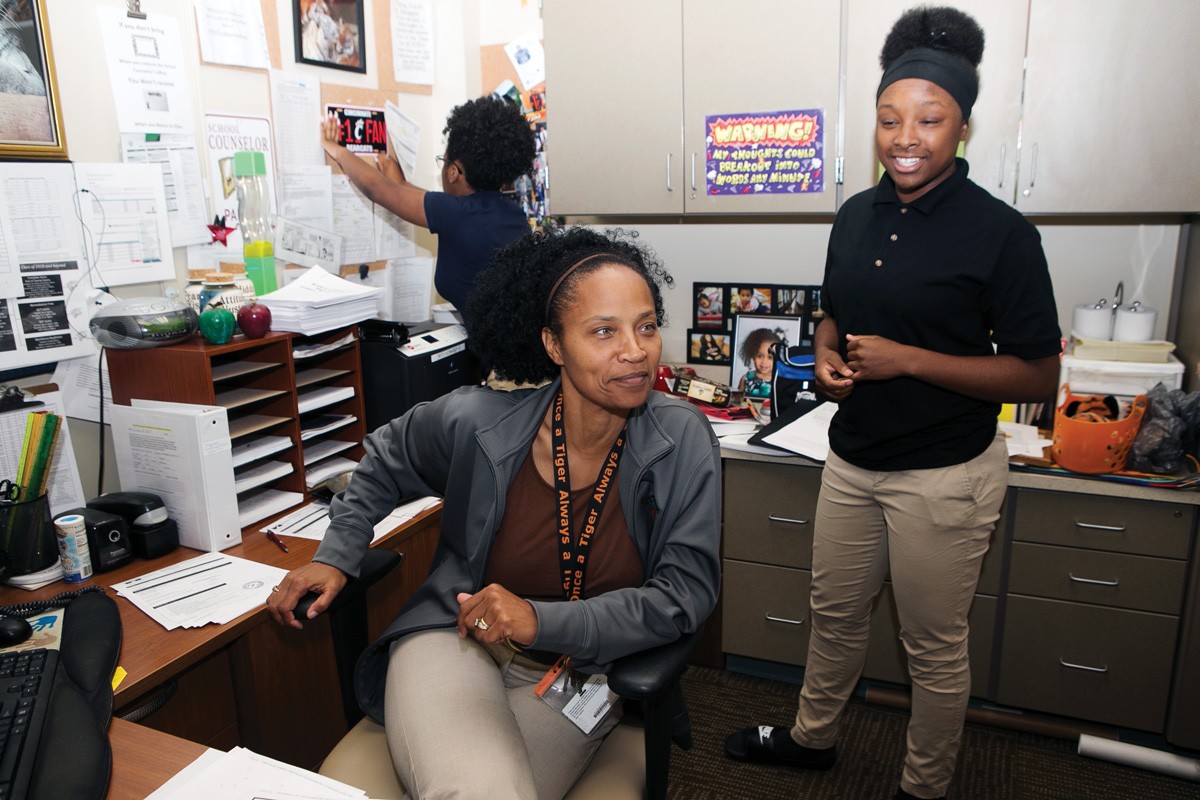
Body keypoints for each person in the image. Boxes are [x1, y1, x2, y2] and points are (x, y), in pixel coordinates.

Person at [724, 7, 1061, 800]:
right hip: (852, 457)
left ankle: (922, 785)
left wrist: (910, 360)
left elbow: (1038, 375)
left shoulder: (1002, 235)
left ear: (962, 128)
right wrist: (832, 349)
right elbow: (833, 308)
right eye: (888, 119)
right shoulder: (854, 215)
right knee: (833, 615)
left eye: (929, 119)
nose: (905, 136)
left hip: (943, 474)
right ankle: (813, 741)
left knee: (932, 646)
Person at [267, 227, 722, 800]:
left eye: (647, 325)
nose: (634, 349)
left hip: (578, 677)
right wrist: (338, 556)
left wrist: (539, 620)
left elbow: (684, 596)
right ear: (554, 346)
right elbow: (386, 456)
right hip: (455, 641)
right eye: (603, 331)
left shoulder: (680, 439)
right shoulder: (483, 423)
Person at [320, 95, 535, 323]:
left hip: (494, 353)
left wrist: (335, 149)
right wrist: (400, 183)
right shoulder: (511, 213)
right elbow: (416, 198)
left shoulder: (454, 213)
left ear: (452, 172)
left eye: (443, 161)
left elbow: (376, 189)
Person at [737, 328, 780, 398]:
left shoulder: (781, 381)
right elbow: (737, 402)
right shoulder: (746, 379)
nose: (764, 362)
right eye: (759, 356)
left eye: (770, 357)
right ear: (753, 356)